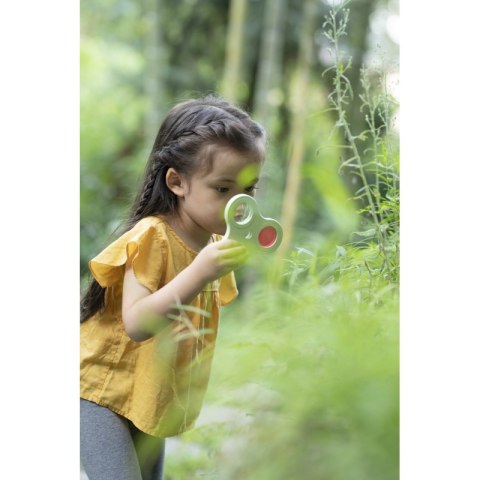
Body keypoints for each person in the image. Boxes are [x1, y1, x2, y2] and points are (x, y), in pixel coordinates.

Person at [80, 95, 266, 480]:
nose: (239, 203)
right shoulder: (153, 236)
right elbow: (137, 323)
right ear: (177, 182)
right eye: (223, 189)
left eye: (249, 189)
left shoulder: (213, 246)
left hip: (147, 391)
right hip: (98, 391)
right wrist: (201, 272)